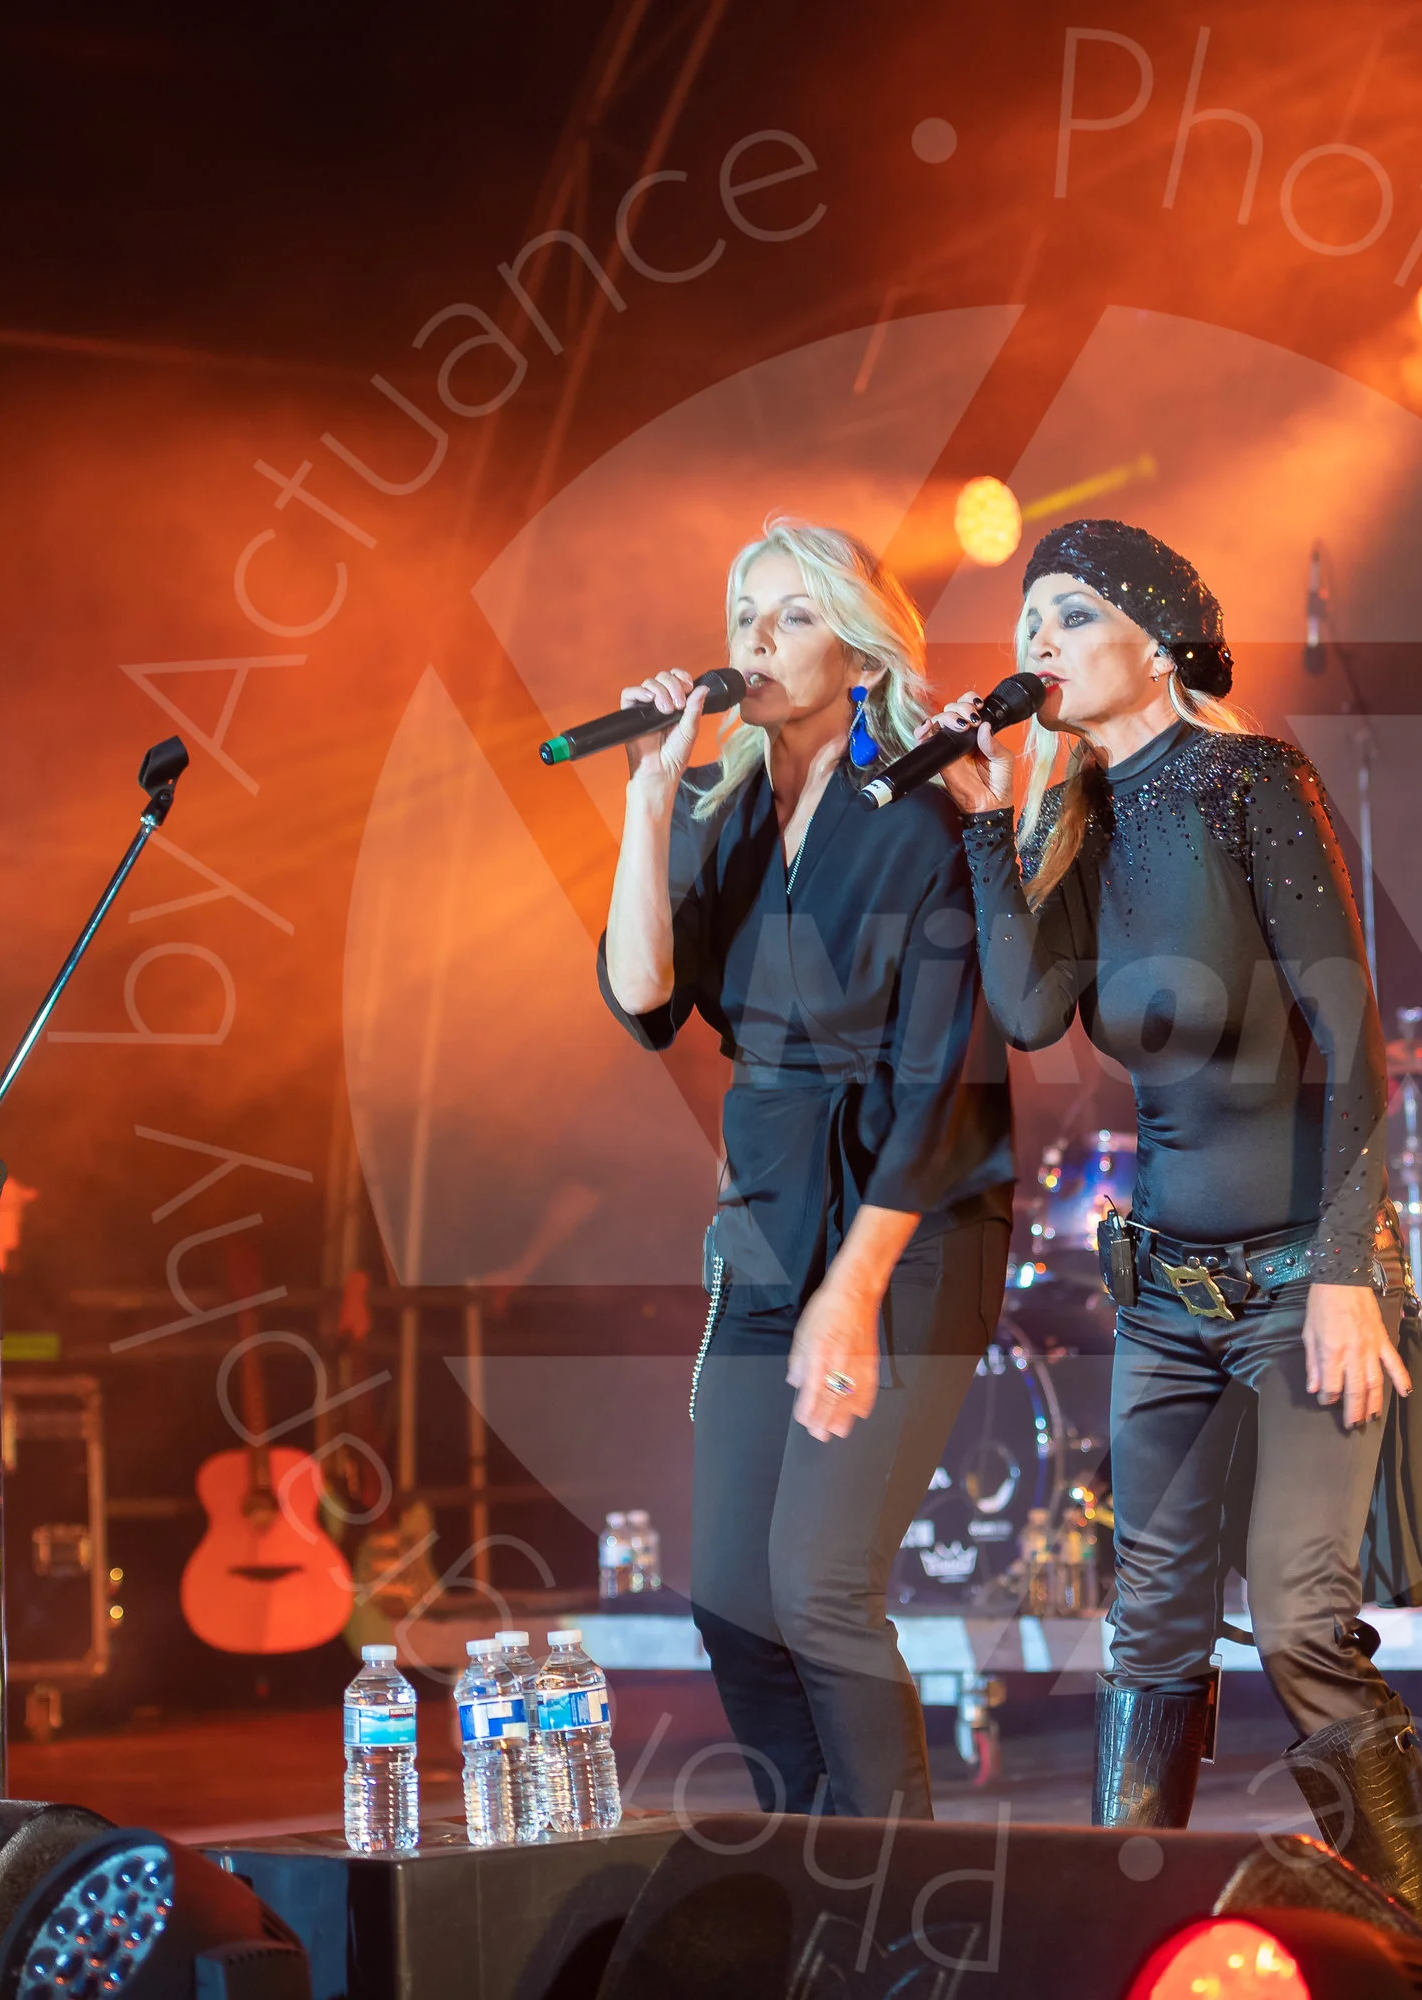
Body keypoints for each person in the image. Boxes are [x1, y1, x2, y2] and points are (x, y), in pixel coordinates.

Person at [936, 519, 1422, 1962]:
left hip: (1305, 1276)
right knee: (1149, 1630)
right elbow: (1030, 1013)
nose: (1034, 643)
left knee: (1301, 1619)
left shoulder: (1251, 782)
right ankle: (1128, 1950)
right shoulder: (1078, 818)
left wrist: (1349, 1270)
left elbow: (1353, 1041)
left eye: (1066, 614)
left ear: (1157, 637)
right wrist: (989, 816)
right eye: (1025, 621)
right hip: (1166, 1294)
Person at [597, 516, 1014, 1819]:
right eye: (744, 617)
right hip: (769, 1226)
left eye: (791, 615)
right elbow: (643, 997)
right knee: (731, 1598)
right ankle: (816, 1873)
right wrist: (650, 795)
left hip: (910, 1228)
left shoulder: (921, 818)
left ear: (860, 650)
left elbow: (944, 1082)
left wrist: (853, 1287)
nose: (758, 642)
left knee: (820, 1587)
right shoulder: (720, 814)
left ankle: (902, 1898)